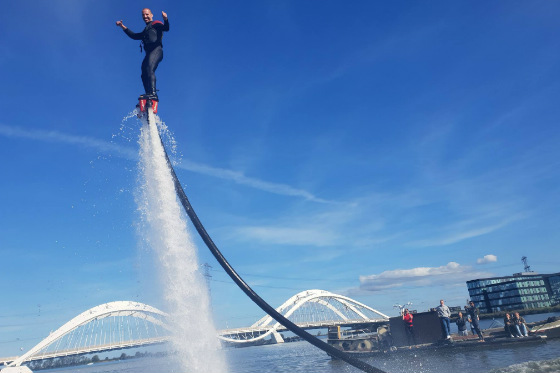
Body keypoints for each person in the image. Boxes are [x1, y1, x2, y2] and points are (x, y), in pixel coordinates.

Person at [116, 9, 170, 99]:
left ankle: (153, 93)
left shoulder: (156, 23)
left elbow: (166, 28)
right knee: (144, 72)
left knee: (149, 68)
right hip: (149, 54)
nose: (145, 16)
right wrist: (122, 26)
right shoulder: (145, 30)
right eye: (143, 15)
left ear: (151, 15)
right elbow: (134, 36)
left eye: (147, 14)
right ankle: (148, 94)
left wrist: (165, 19)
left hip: (156, 50)